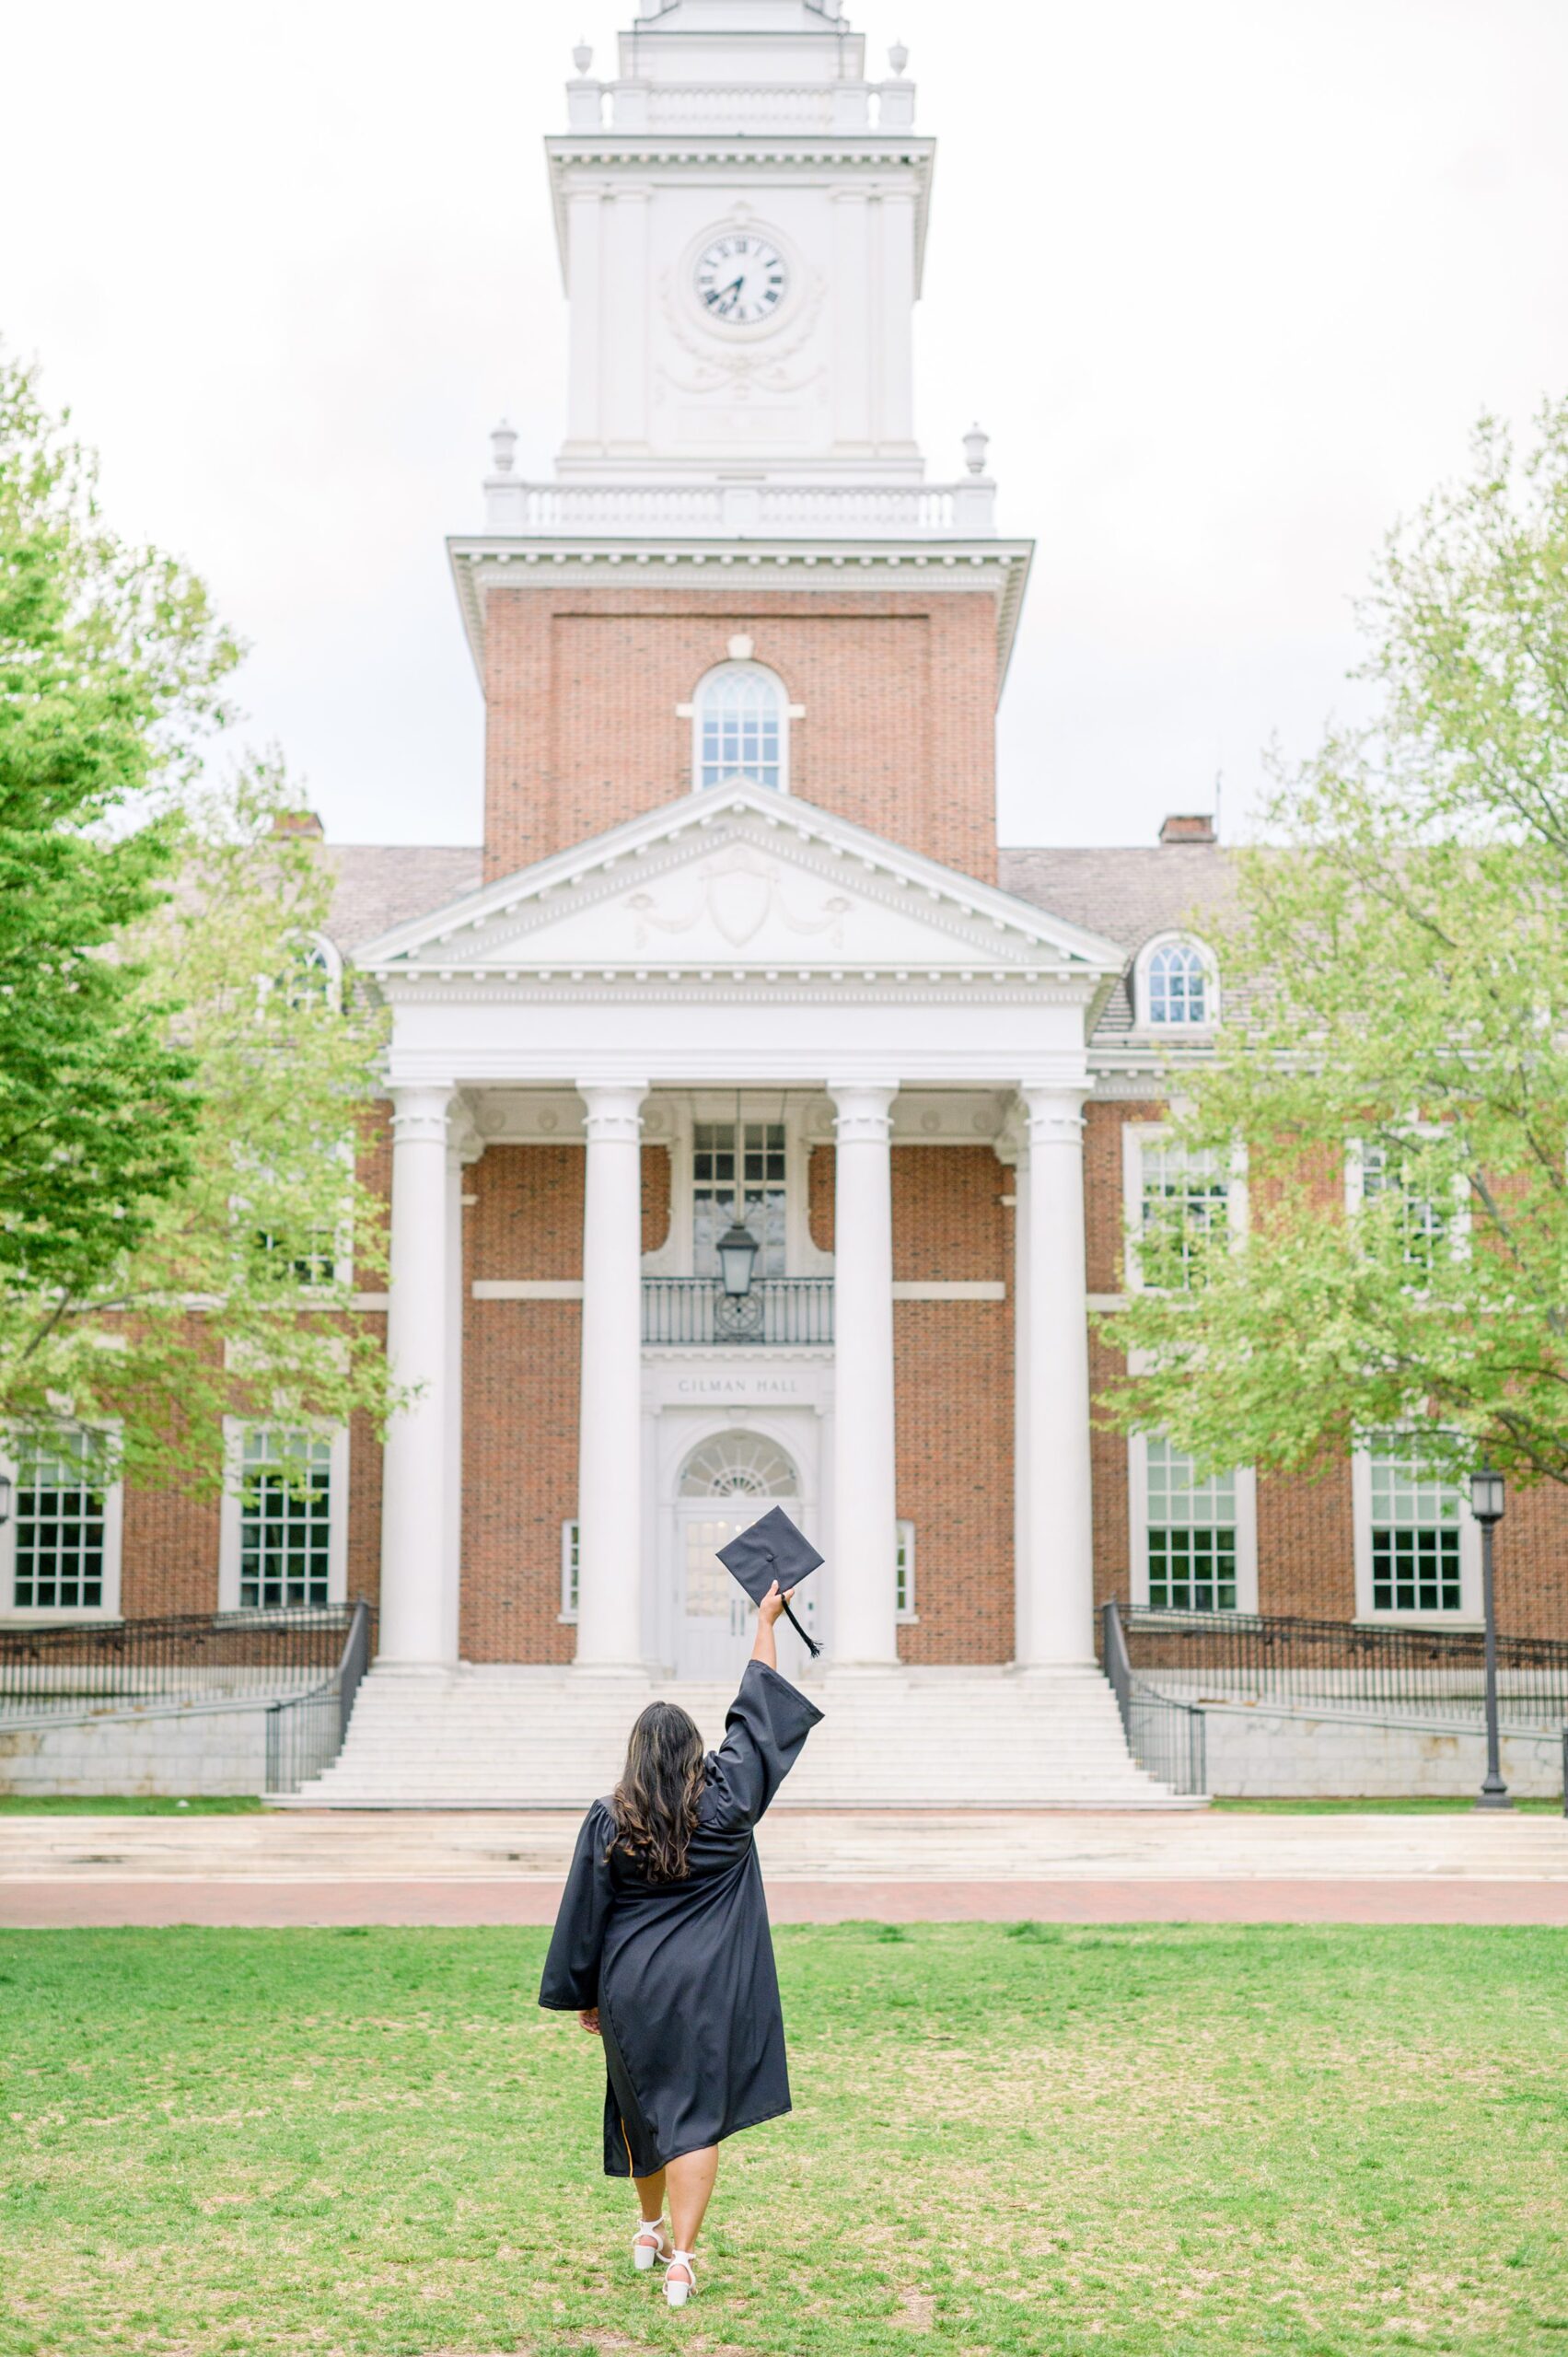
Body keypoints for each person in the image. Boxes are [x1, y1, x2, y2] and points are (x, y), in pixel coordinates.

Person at [539, 1579, 822, 2310]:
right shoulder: (726, 1804)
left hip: (634, 1983)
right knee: (694, 2116)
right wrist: (765, 1621)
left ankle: (645, 2228)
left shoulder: (610, 1817)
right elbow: (757, 1714)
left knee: (642, 2110)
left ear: (635, 1754)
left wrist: (585, 1993)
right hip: (707, 1985)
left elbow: (584, 1911)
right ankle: (682, 2260)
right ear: (696, 1751)